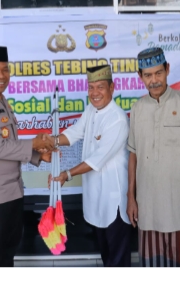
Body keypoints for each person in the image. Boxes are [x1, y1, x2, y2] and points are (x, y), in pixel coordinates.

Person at [0, 46, 53, 266]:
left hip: (11, 194)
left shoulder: (1, 101)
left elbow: (9, 145)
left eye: (5, 69)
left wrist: (38, 156)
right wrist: (35, 143)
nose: (1, 75)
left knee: (7, 255)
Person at [127, 47, 180, 267]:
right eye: (148, 75)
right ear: (140, 77)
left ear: (168, 69)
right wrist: (130, 197)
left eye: (158, 73)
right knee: (152, 267)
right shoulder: (137, 109)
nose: (154, 80)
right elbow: (133, 154)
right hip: (148, 209)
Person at [50, 64, 132, 267]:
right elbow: (75, 132)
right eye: (91, 87)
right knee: (106, 256)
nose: (95, 93)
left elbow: (97, 159)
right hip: (96, 197)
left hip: (115, 203)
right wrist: (51, 142)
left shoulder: (118, 119)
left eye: (100, 87)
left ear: (112, 88)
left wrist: (66, 174)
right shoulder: (91, 109)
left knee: (117, 261)